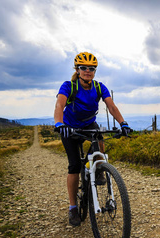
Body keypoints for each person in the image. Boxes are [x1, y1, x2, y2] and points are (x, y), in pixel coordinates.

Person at [54, 51, 132, 227]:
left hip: (89, 124)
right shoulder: (69, 86)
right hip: (70, 127)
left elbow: (111, 106)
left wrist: (123, 123)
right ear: (77, 69)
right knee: (74, 166)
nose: (87, 71)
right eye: (83, 68)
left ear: (94, 71)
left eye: (91, 69)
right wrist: (60, 124)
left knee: (99, 143)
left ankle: (98, 169)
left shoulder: (98, 87)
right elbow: (59, 104)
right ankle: (73, 207)